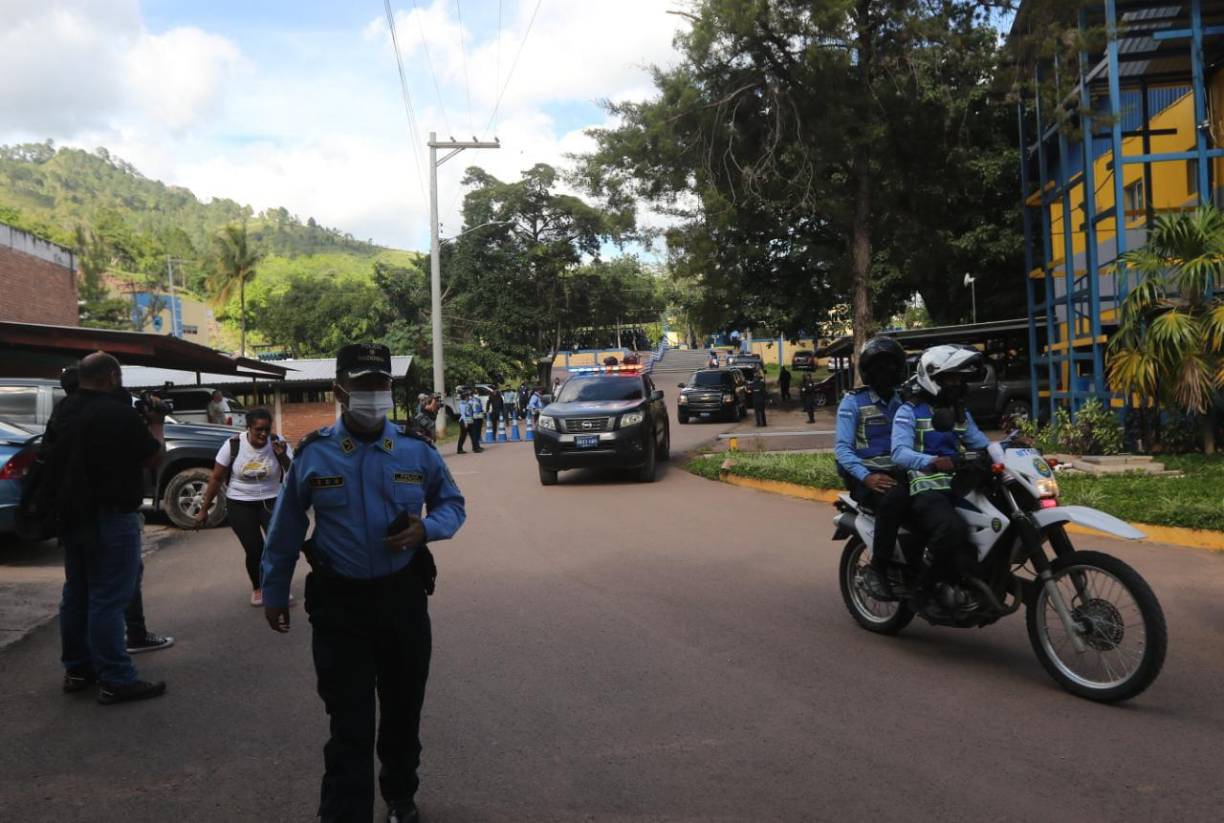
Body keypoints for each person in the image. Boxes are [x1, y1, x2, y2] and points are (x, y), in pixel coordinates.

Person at [261, 343, 466, 823]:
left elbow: (452, 504)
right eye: (364, 386)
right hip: (340, 604)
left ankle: (400, 796)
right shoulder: (314, 454)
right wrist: (274, 591)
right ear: (340, 391)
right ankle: (344, 812)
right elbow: (286, 529)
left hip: (402, 599)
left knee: (402, 709)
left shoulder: (416, 449)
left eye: (382, 385)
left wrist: (426, 529)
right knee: (349, 719)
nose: (374, 395)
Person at [49, 352, 169, 704]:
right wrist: (157, 421)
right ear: (113, 377)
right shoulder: (116, 414)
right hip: (112, 517)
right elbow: (152, 455)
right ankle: (116, 678)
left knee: (77, 595)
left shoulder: (65, 409)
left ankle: (78, 669)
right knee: (108, 599)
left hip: (73, 516)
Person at [891, 344, 1002, 608]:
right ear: (932, 378)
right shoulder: (909, 411)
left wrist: (1008, 447)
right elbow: (898, 453)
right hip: (924, 486)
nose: (956, 384)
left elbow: (979, 442)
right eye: (950, 378)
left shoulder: (958, 412)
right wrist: (932, 461)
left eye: (959, 379)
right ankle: (924, 587)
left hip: (960, 485)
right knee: (951, 528)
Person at [194, 408, 293, 606]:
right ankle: (258, 588)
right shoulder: (233, 445)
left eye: (266, 429)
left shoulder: (277, 442)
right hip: (240, 503)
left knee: (276, 547)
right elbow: (216, 477)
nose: (263, 434)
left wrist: (282, 456)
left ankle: (277, 587)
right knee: (254, 549)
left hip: (272, 500)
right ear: (248, 428)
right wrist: (204, 509)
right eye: (258, 430)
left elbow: (294, 473)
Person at [834, 336, 909, 598]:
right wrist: (866, 477)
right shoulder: (853, 402)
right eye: (878, 367)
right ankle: (878, 568)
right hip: (865, 477)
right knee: (895, 498)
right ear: (867, 371)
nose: (885, 372)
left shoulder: (905, 402)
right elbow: (842, 449)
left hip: (901, 472)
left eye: (890, 366)